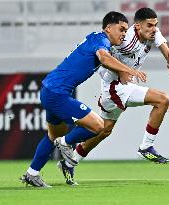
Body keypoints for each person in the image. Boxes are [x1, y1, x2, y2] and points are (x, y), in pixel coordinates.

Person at [20, 11, 146, 188]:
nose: (124, 33)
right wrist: (130, 70)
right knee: (99, 126)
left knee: (53, 135)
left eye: (126, 30)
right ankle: (65, 144)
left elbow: (106, 59)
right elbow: (104, 58)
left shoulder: (96, 39)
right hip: (57, 92)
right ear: (108, 28)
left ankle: (32, 173)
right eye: (121, 29)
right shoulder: (101, 41)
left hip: (50, 89)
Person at [56, 7, 169, 186]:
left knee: (104, 130)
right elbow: (103, 58)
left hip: (123, 86)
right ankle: (146, 147)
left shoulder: (153, 33)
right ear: (137, 26)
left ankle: (69, 162)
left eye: (155, 25)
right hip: (115, 87)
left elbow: (165, 49)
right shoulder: (125, 40)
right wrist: (122, 71)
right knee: (162, 99)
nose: (154, 29)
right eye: (149, 25)